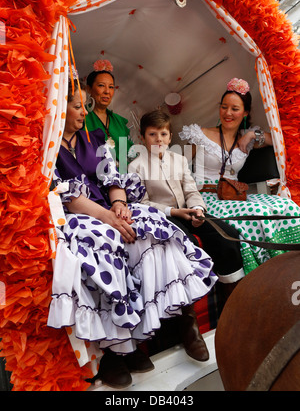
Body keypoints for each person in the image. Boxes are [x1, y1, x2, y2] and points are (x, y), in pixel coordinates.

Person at [47, 77, 217, 389]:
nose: (84, 112)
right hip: (81, 215)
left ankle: (182, 323)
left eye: (85, 106)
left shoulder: (94, 138)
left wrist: (121, 204)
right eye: (77, 106)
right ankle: (116, 352)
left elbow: (112, 178)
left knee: (154, 226)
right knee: (106, 244)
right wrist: (108, 217)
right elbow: (69, 197)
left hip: (110, 208)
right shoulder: (48, 149)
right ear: (57, 108)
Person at [179, 77, 300, 275]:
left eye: (235, 109)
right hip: (205, 196)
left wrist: (252, 135)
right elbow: (179, 166)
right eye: (224, 107)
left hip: (232, 195)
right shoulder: (200, 134)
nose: (228, 113)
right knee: (256, 212)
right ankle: (265, 272)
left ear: (245, 112)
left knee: (286, 206)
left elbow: (279, 140)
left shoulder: (248, 137)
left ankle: (291, 266)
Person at [128, 110, 245, 299]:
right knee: (187, 243)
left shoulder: (179, 160)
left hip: (189, 211)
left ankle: (232, 293)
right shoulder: (136, 166)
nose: (158, 139)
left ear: (170, 137)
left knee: (227, 235)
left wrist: (198, 210)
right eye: (152, 134)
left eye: (163, 134)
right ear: (142, 138)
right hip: (163, 217)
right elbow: (143, 202)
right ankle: (198, 294)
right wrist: (173, 211)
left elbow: (191, 191)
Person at [85, 59, 133, 165]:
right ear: (89, 89)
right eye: (101, 85)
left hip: (123, 176)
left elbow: (130, 155)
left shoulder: (119, 122)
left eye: (111, 87)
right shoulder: (81, 117)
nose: (107, 91)